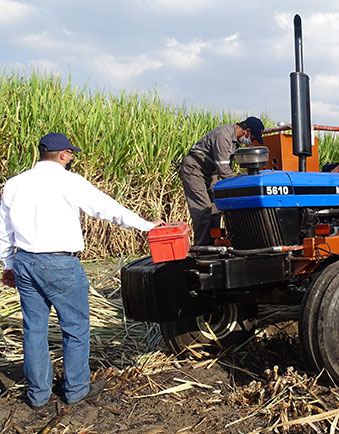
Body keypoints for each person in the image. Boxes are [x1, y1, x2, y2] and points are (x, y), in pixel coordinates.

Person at [0, 132, 163, 409]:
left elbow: (4, 230)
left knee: (34, 330)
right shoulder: (70, 182)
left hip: (25, 262)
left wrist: (8, 265)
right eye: (71, 154)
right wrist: (146, 225)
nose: (71, 158)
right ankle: (75, 389)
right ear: (63, 155)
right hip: (61, 264)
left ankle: (38, 395)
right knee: (75, 328)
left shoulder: (15, 184)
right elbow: (107, 209)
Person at [180, 116, 265, 246]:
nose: (250, 142)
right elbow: (224, 170)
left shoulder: (235, 141)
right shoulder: (223, 137)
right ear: (247, 131)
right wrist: (242, 185)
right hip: (194, 169)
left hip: (210, 171)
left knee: (216, 207)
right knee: (203, 210)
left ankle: (213, 244)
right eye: (252, 138)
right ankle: (201, 247)